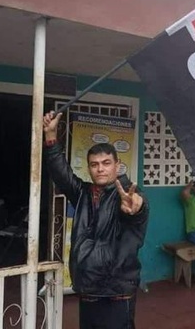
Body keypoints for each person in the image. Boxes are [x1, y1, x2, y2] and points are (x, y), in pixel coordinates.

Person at [42, 111, 148, 328]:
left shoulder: (127, 195)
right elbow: (61, 173)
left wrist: (135, 208)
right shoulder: (83, 193)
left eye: (106, 162)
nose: (100, 168)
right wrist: (51, 135)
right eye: (94, 164)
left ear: (117, 165)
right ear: (89, 167)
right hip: (88, 287)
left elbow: (137, 212)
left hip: (116, 291)